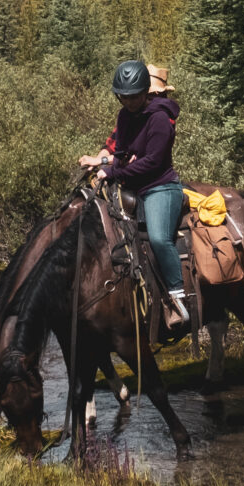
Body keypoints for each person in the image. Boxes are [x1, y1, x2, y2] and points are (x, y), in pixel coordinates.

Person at [81, 59, 190, 337]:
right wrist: (111, 164)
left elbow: (153, 162)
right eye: (124, 97)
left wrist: (116, 170)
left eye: (133, 96)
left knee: (157, 238)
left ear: (145, 93)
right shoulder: (124, 116)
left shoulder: (159, 119)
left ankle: (178, 298)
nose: (128, 102)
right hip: (132, 184)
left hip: (159, 187)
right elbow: (123, 151)